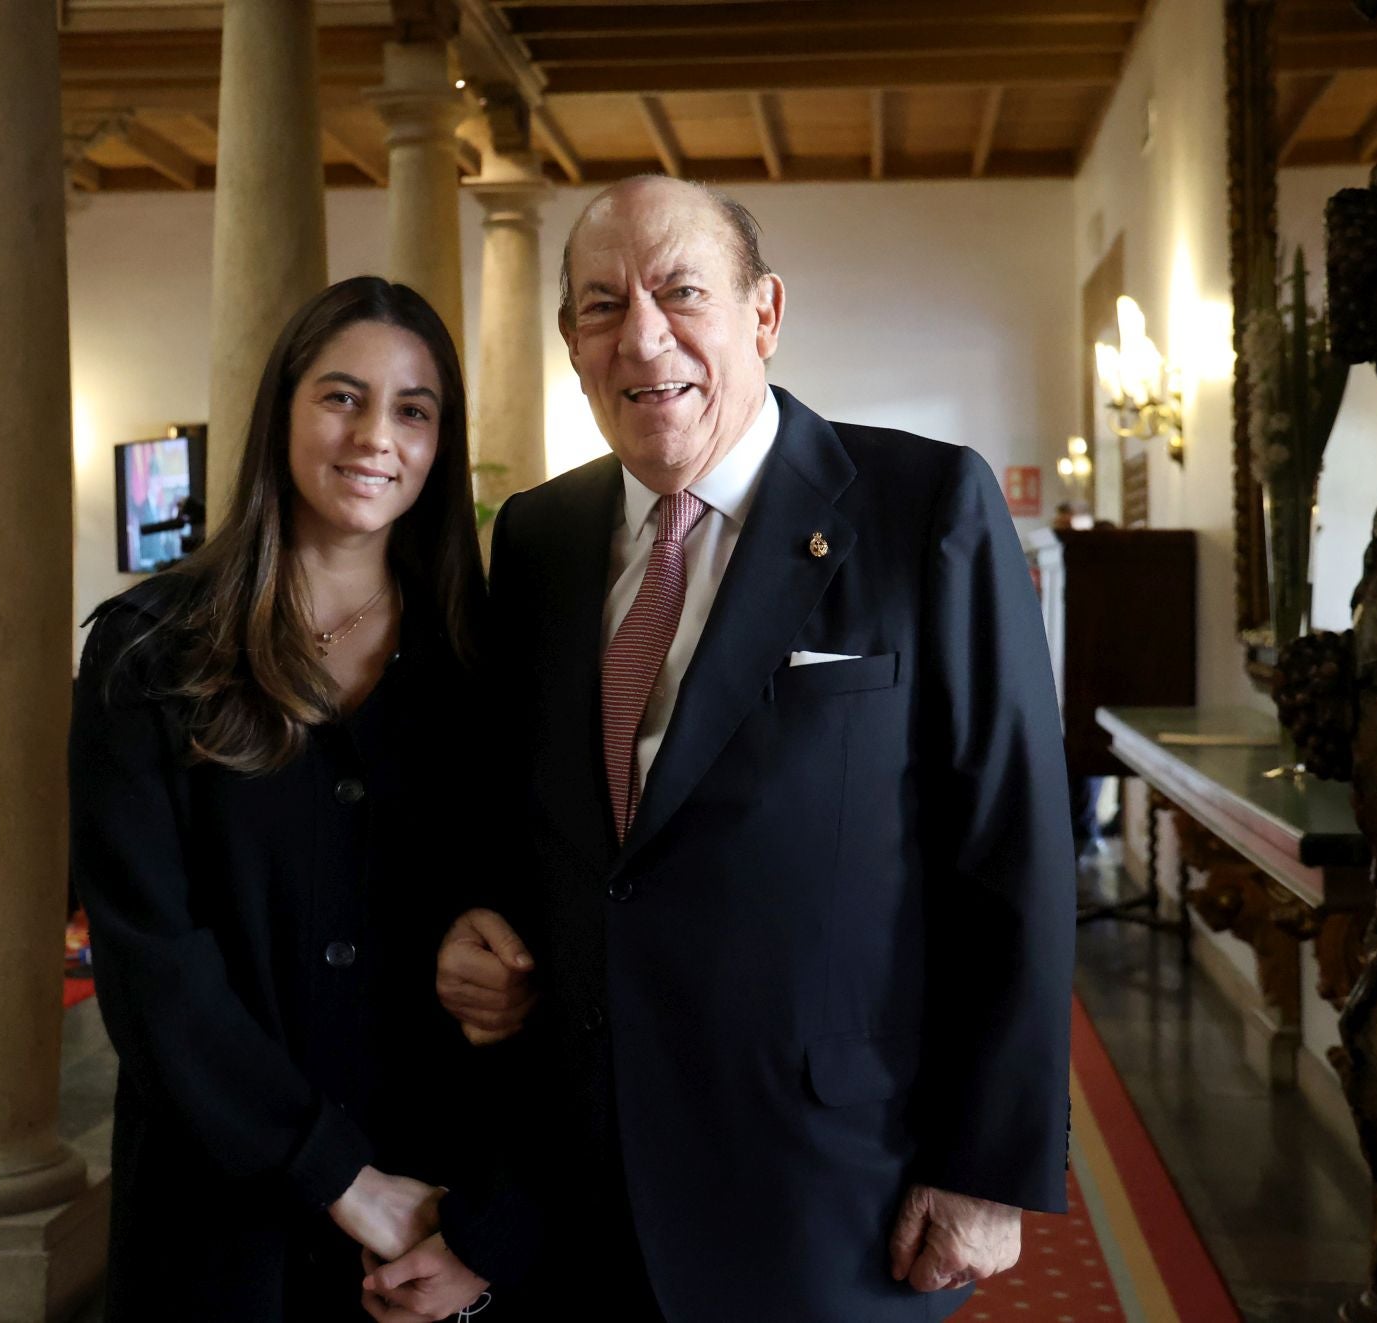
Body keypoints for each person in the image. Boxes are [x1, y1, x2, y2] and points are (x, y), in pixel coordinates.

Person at [434, 177, 1077, 1322]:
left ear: (765, 313)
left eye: (681, 292)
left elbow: (1013, 850)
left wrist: (988, 1165)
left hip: (829, 1183)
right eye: (601, 305)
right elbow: (524, 814)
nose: (642, 337)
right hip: (582, 1175)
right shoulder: (538, 537)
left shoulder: (926, 506)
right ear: (571, 342)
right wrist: (477, 923)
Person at [69, 277, 521, 1322]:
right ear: (281, 411)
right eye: (342, 397)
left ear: (440, 444)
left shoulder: (482, 660)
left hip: (429, 1216)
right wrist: (336, 1175)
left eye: (413, 410)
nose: (376, 436)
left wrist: (503, 970)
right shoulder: (149, 652)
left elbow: (528, 910)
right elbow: (151, 965)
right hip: (216, 1218)